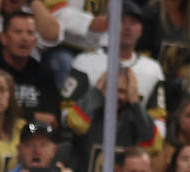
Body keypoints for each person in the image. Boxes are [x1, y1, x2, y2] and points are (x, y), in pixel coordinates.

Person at [62, 0, 167, 141]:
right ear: (108, 25)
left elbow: (158, 138)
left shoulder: (152, 70)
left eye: (133, 22)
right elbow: (67, 120)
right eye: (121, 20)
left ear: (141, 30)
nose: (127, 27)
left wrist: (136, 105)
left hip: (131, 152)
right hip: (87, 145)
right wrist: (97, 93)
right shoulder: (85, 62)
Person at [63, 66, 161, 172]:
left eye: (123, 91)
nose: (117, 96)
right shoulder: (89, 115)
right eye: (111, 89)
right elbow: (75, 123)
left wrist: (136, 104)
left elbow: (153, 146)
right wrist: (96, 91)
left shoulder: (136, 121)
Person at [0, 12, 61, 127]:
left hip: (35, 136)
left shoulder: (42, 72)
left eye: (30, 33)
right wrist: (32, 117)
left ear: (35, 41)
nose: (24, 38)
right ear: (4, 38)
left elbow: (53, 117)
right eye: (18, 32)